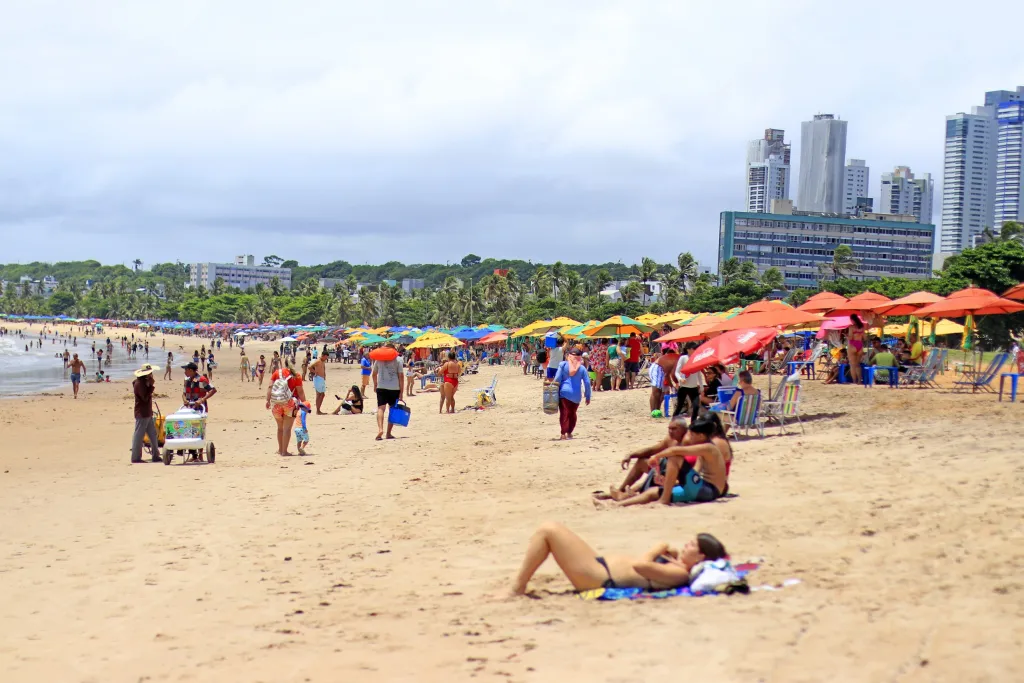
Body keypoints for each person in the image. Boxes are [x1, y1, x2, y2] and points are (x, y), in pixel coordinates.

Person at [506, 521, 728, 596]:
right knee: (552, 531)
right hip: (600, 568)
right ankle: (519, 585)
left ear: (700, 556)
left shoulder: (680, 574)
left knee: (548, 530)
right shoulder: (678, 566)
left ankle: (517, 587)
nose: (686, 545)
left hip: (600, 578)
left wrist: (658, 548)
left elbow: (641, 566)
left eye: (691, 545)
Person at [597, 414, 727, 507]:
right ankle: (617, 504)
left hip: (709, 491)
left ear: (701, 436)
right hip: (699, 487)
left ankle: (664, 500)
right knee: (652, 492)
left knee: (674, 458)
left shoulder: (709, 448)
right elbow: (696, 471)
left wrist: (656, 457)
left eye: (692, 434)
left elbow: (675, 452)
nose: (690, 436)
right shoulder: (703, 449)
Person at [597, 417, 688, 499]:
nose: (671, 431)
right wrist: (631, 455)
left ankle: (626, 495)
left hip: (680, 475)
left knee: (648, 480)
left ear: (684, 430)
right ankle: (621, 491)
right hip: (665, 470)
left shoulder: (688, 441)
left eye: (674, 429)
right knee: (641, 462)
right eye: (669, 429)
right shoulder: (670, 439)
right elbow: (652, 450)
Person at [548, 347, 591, 440]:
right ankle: (570, 432)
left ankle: (563, 434)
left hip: (564, 393)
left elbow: (557, 378)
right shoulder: (582, 368)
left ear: (569, 356)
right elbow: (587, 383)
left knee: (564, 413)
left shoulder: (563, 365)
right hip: (576, 396)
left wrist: (552, 388)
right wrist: (588, 396)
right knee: (572, 413)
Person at [267, 359, 307, 457]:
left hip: (276, 403)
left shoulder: (277, 373)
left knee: (280, 428)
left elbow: (270, 387)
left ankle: (280, 449)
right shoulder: (296, 375)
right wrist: (304, 403)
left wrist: (268, 400)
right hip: (290, 403)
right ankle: (284, 452)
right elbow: (300, 391)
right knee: (287, 428)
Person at [372, 345, 405, 441]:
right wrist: (401, 392)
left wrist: (375, 385)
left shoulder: (379, 359)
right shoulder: (398, 359)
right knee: (392, 410)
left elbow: (374, 374)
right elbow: (401, 376)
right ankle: (388, 433)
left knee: (381, 408)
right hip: (394, 388)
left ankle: (380, 429)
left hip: (381, 387)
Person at [130, 364, 162, 464]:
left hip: (147, 412)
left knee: (153, 435)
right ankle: (136, 457)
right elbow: (144, 398)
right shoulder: (139, 384)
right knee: (139, 436)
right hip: (142, 413)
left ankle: (156, 455)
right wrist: (151, 387)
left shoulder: (144, 382)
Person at [673, 342, 703, 423]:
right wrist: (680, 379)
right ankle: (673, 421)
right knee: (679, 406)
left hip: (694, 387)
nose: (695, 350)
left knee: (696, 406)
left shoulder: (697, 358)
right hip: (684, 386)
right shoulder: (683, 358)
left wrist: (701, 386)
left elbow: (699, 373)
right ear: (688, 349)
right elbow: (677, 372)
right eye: (694, 349)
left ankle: (693, 423)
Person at [847, 314, 866, 384]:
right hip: (860, 345)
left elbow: (851, 337)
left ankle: (854, 381)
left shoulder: (851, 327)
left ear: (852, 320)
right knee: (857, 365)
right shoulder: (862, 327)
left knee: (852, 365)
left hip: (853, 344)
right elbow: (865, 337)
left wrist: (846, 336)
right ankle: (859, 381)